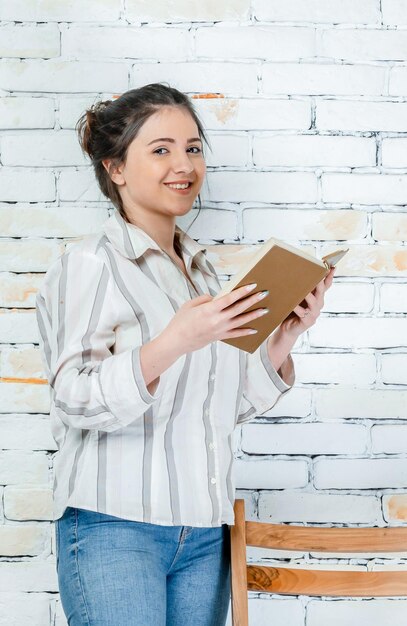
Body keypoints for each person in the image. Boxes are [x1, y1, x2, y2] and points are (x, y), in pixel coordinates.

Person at [36, 83, 334, 626]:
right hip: (115, 527)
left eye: (193, 148)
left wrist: (285, 337)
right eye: (161, 149)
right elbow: (73, 398)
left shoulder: (205, 273)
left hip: (204, 533)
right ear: (116, 168)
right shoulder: (89, 264)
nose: (184, 165)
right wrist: (175, 339)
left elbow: (225, 403)